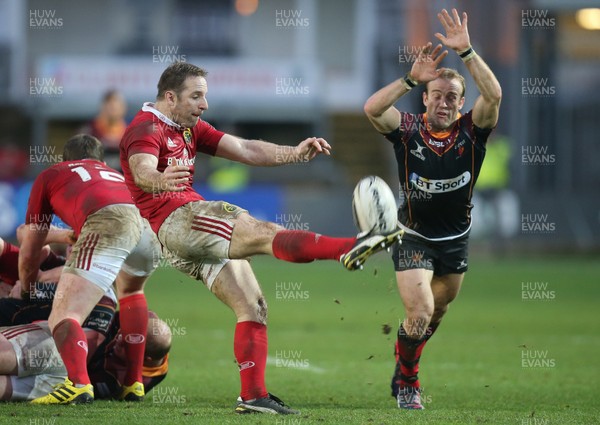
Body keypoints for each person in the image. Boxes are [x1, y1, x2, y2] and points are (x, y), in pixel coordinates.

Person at [120, 62, 403, 415]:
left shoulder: (186, 127)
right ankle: (351, 247)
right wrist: (160, 180)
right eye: (196, 96)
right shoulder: (145, 128)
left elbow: (246, 149)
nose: (203, 104)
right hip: (180, 220)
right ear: (169, 97)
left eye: (204, 96)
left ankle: (253, 397)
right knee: (266, 233)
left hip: (177, 236)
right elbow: (141, 169)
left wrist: (295, 153)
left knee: (252, 306)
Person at [363, 8, 502, 409]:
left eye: (452, 97)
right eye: (436, 95)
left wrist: (469, 53)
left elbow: (493, 95)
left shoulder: (472, 133)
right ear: (424, 98)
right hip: (412, 235)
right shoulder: (407, 131)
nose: (444, 102)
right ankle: (409, 384)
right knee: (420, 310)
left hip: (455, 238)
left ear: (461, 104)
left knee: (434, 316)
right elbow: (372, 109)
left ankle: (403, 363)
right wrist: (408, 77)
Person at [18, 134, 161, 404]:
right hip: (147, 227)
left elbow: (31, 242)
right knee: (131, 291)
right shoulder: (115, 174)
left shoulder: (52, 174)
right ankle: (133, 382)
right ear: (99, 159)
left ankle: (78, 384)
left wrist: (27, 286)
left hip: (107, 220)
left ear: (65, 159)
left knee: (63, 313)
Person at [0, 311, 170, 401]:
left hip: (61, 363)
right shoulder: (145, 321)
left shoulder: (128, 379)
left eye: (126, 345)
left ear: (145, 359)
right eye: (123, 333)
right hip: (65, 376)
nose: (119, 339)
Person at [81, 89, 128, 171]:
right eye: (110, 106)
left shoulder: (131, 135)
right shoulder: (88, 133)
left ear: (123, 108)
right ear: (102, 107)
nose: (113, 110)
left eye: (116, 106)